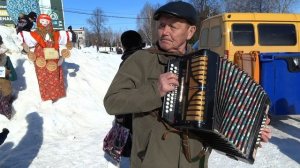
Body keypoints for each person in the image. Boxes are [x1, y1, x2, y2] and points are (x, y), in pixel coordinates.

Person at [104, 1, 272, 168]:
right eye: (162, 25)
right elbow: (112, 101)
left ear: (190, 31)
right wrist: (155, 91)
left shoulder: (206, 65)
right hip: (152, 160)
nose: (165, 32)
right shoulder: (141, 60)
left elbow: (221, 112)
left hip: (193, 161)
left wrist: (252, 130)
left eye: (173, 27)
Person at [18, 14, 72, 102]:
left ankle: (56, 94)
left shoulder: (55, 33)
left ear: (50, 22)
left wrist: (67, 45)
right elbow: (27, 40)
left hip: (53, 56)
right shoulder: (35, 34)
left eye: (47, 21)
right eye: (42, 21)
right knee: (42, 76)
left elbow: (64, 38)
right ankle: (46, 96)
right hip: (40, 57)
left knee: (54, 75)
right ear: (38, 22)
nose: (45, 23)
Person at [114, 30, 145, 167]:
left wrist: (119, 118)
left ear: (124, 45)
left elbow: (121, 92)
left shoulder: (127, 61)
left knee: (127, 148)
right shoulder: (148, 58)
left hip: (130, 111)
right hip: (146, 109)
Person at [0, 35, 17, 119]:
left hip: (5, 92)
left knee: (4, 110)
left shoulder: (6, 59)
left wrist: (4, 73)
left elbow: (13, 77)